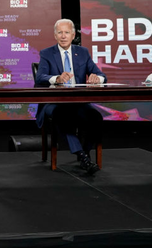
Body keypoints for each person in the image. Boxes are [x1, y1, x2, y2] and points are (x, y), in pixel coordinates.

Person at [35, 19, 106, 175]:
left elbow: (101, 75)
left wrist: (97, 78)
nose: (63, 36)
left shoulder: (82, 53)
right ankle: (82, 155)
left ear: (73, 35)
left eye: (67, 32)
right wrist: (57, 79)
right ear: (55, 35)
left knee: (95, 117)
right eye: (60, 32)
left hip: (77, 102)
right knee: (62, 116)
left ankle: (85, 153)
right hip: (54, 103)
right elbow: (40, 78)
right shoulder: (47, 53)